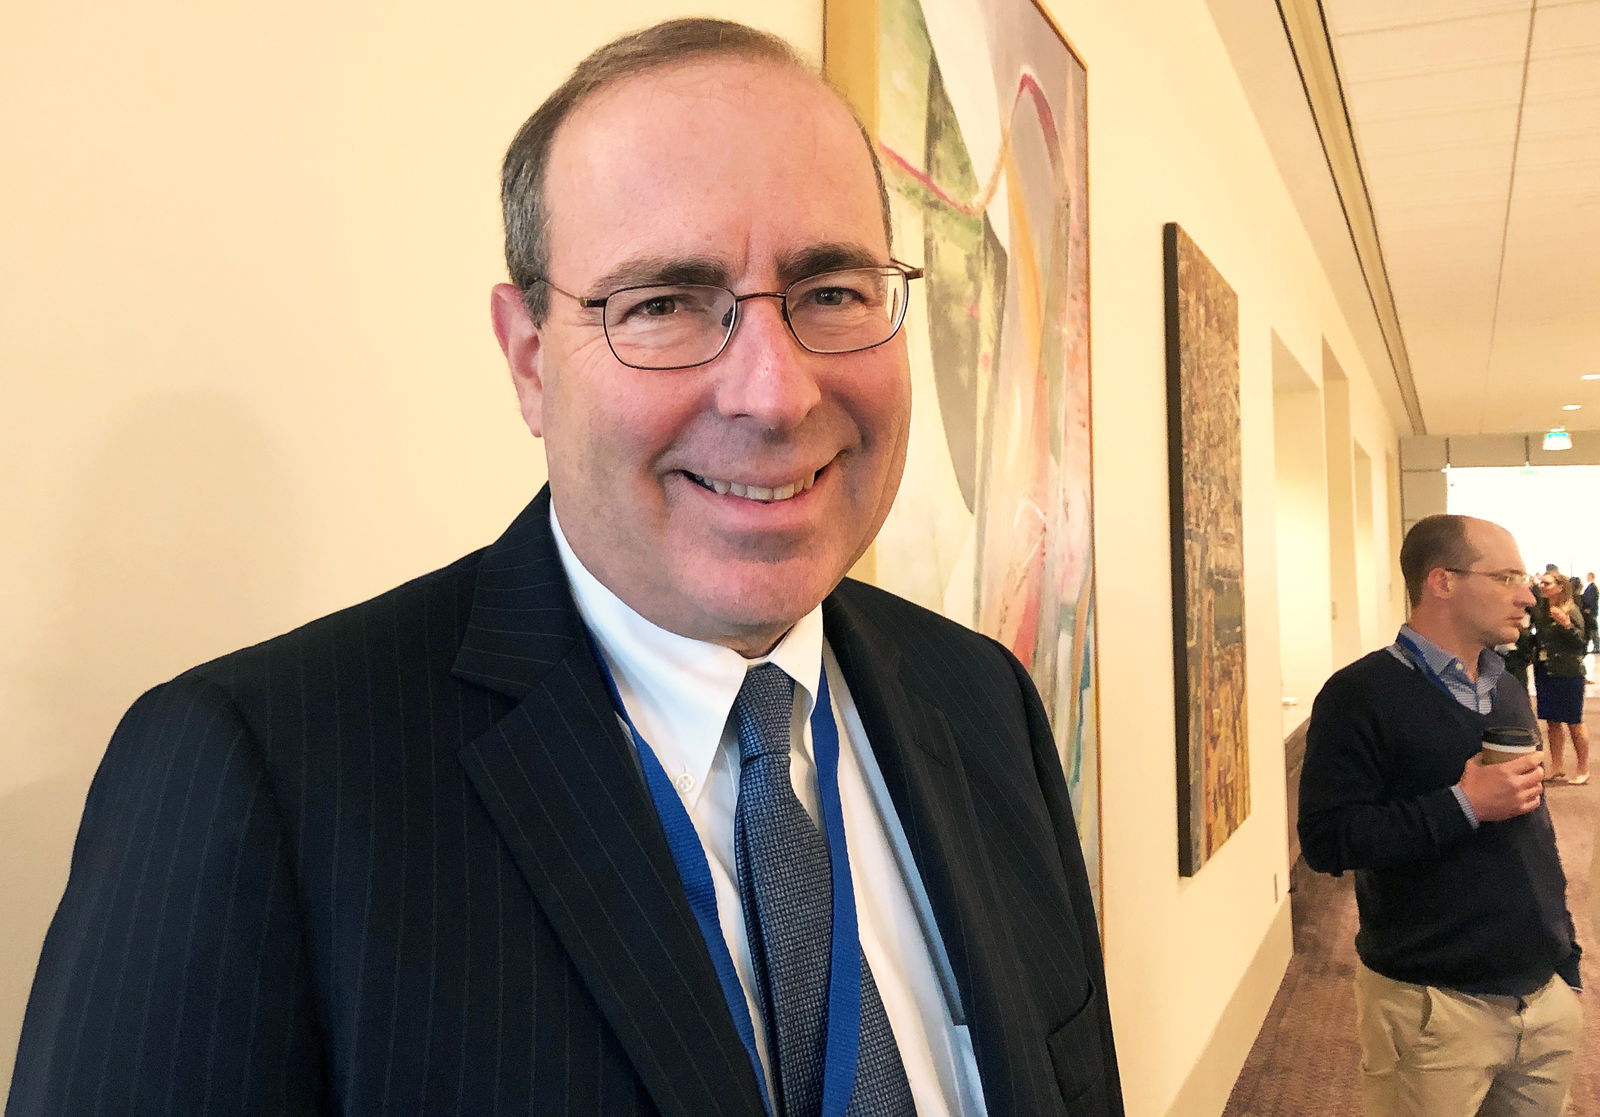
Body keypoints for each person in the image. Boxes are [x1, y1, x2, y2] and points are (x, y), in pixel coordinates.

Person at [6, 19, 1121, 1117]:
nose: (774, 394)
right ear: (530, 359)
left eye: (831, 291)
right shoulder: (257, 780)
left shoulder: (985, 706)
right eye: (666, 306)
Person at [1299, 514, 1583, 1116]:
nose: (1527, 593)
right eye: (1506, 576)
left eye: (1524, 576)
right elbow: (1328, 840)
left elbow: (1533, 828)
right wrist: (1465, 805)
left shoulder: (1504, 683)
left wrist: (1564, 953)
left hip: (1541, 996)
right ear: (1442, 582)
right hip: (1434, 1006)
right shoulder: (1359, 694)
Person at [1532, 570, 1591, 784]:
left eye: (1546, 583)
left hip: (1568, 672)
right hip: (1546, 671)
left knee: (1574, 721)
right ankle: (1557, 766)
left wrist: (1566, 625)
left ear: (1560, 586)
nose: (1542, 587)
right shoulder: (1542, 611)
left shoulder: (1572, 610)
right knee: (1553, 721)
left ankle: (1583, 769)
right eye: (1541, 583)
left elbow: (1581, 644)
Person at [1582, 572, 1598, 654]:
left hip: (1591, 612)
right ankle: (1596, 646)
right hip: (1590, 612)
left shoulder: (1593, 588)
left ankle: (1597, 647)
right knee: (1592, 629)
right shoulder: (1589, 587)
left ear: (1591, 576)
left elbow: (1591, 600)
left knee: (1593, 630)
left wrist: (1589, 609)